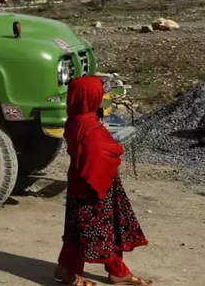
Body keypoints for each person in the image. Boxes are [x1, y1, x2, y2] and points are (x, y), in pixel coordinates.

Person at [55, 76, 151, 286]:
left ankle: (116, 271)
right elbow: (96, 156)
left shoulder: (77, 119)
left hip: (83, 185)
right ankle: (69, 271)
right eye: (98, 94)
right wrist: (114, 151)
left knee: (85, 229)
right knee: (96, 231)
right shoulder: (88, 126)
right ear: (91, 97)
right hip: (94, 187)